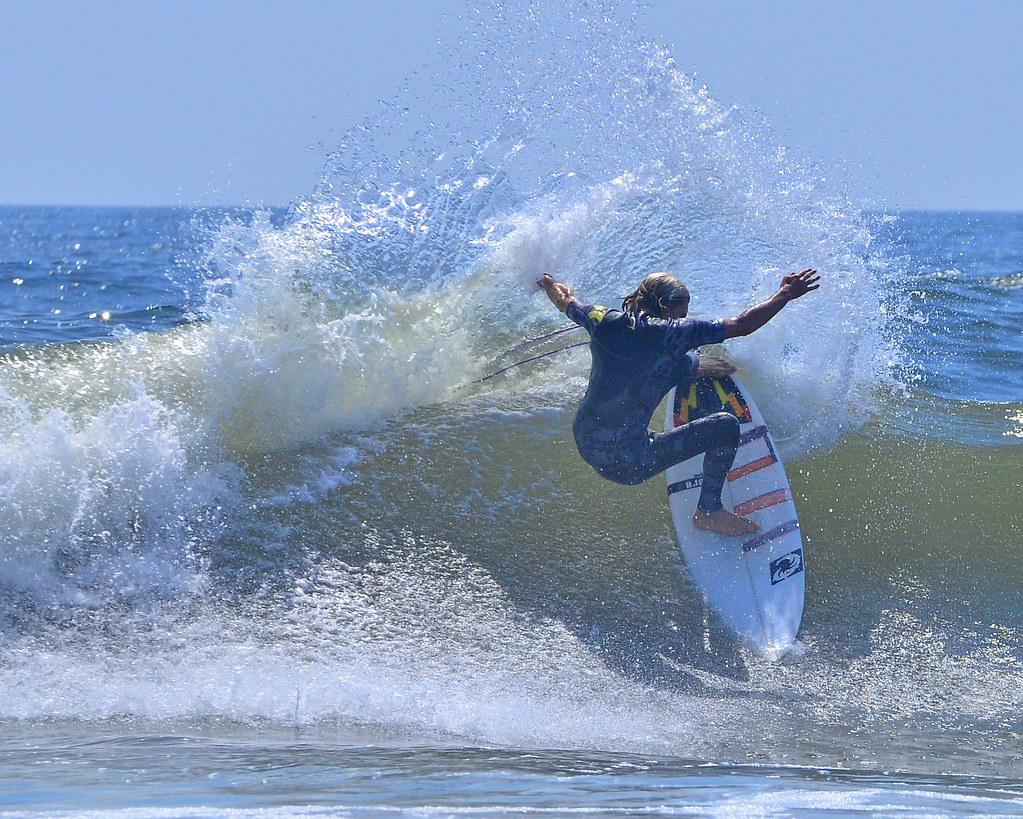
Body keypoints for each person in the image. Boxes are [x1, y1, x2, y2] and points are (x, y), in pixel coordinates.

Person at [538, 267, 820, 536]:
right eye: (679, 314)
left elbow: (566, 300)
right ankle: (709, 512)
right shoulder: (675, 332)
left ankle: (694, 366)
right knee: (726, 426)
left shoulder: (602, 319)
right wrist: (785, 293)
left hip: (586, 441)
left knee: (665, 363)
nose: (682, 319)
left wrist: (549, 282)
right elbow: (742, 324)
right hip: (628, 462)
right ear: (664, 307)